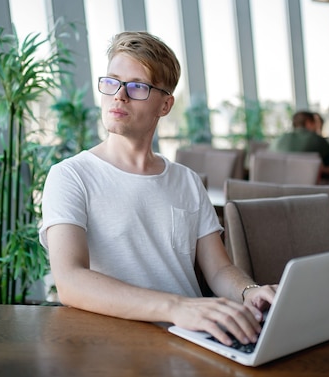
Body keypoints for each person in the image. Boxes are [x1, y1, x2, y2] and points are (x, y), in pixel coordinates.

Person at [39, 31, 277, 347]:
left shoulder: (187, 181)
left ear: (165, 105)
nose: (119, 96)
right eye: (112, 82)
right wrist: (177, 307)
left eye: (137, 86)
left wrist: (249, 291)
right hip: (115, 346)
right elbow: (70, 281)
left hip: (195, 339)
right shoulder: (70, 176)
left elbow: (218, 268)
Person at [269, 110, 329, 176]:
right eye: (315, 123)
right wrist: (319, 169)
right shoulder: (318, 140)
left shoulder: (278, 140)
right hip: (309, 186)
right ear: (308, 123)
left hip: (275, 184)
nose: (317, 127)